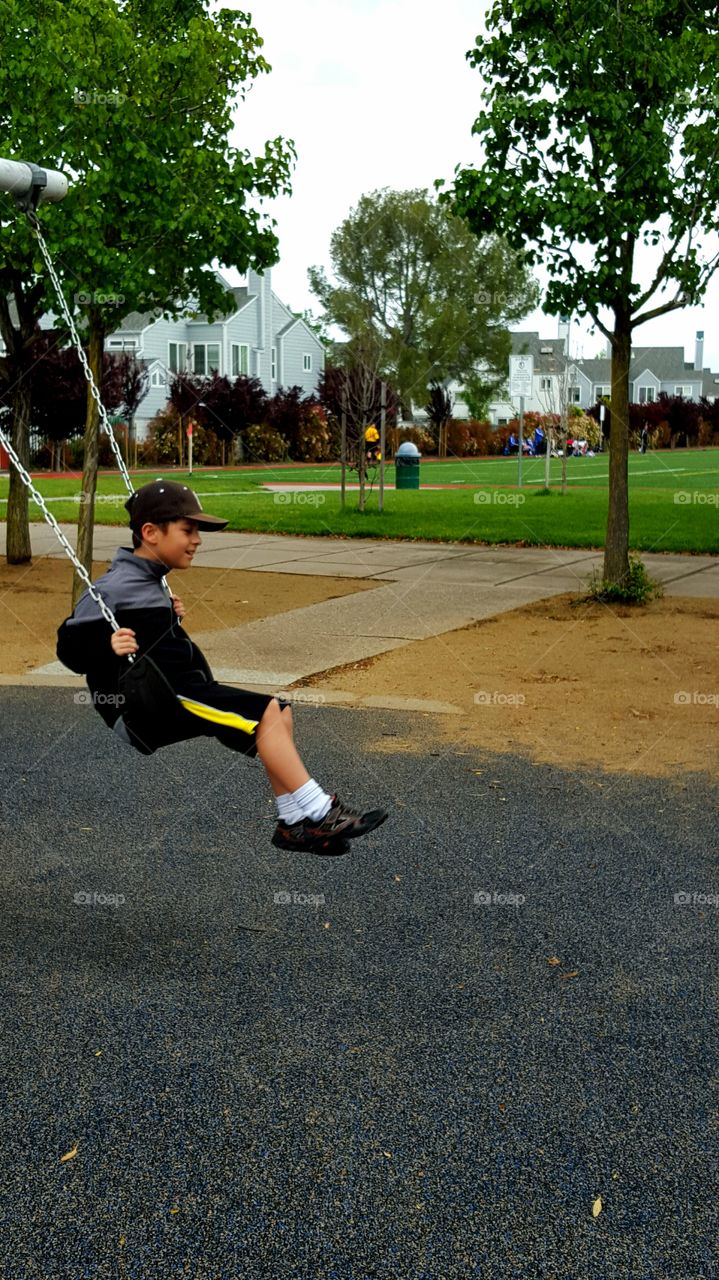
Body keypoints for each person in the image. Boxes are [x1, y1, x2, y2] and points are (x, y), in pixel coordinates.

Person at [56, 479, 388, 857]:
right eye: (188, 530)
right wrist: (106, 647)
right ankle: (320, 810)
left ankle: (294, 823)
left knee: (279, 711)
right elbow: (68, 647)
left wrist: (168, 619)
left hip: (177, 690)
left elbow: (156, 642)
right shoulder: (113, 587)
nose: (197, 539)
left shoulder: (152, 582)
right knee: (264, 712)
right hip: (145, 707)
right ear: (150, 533)